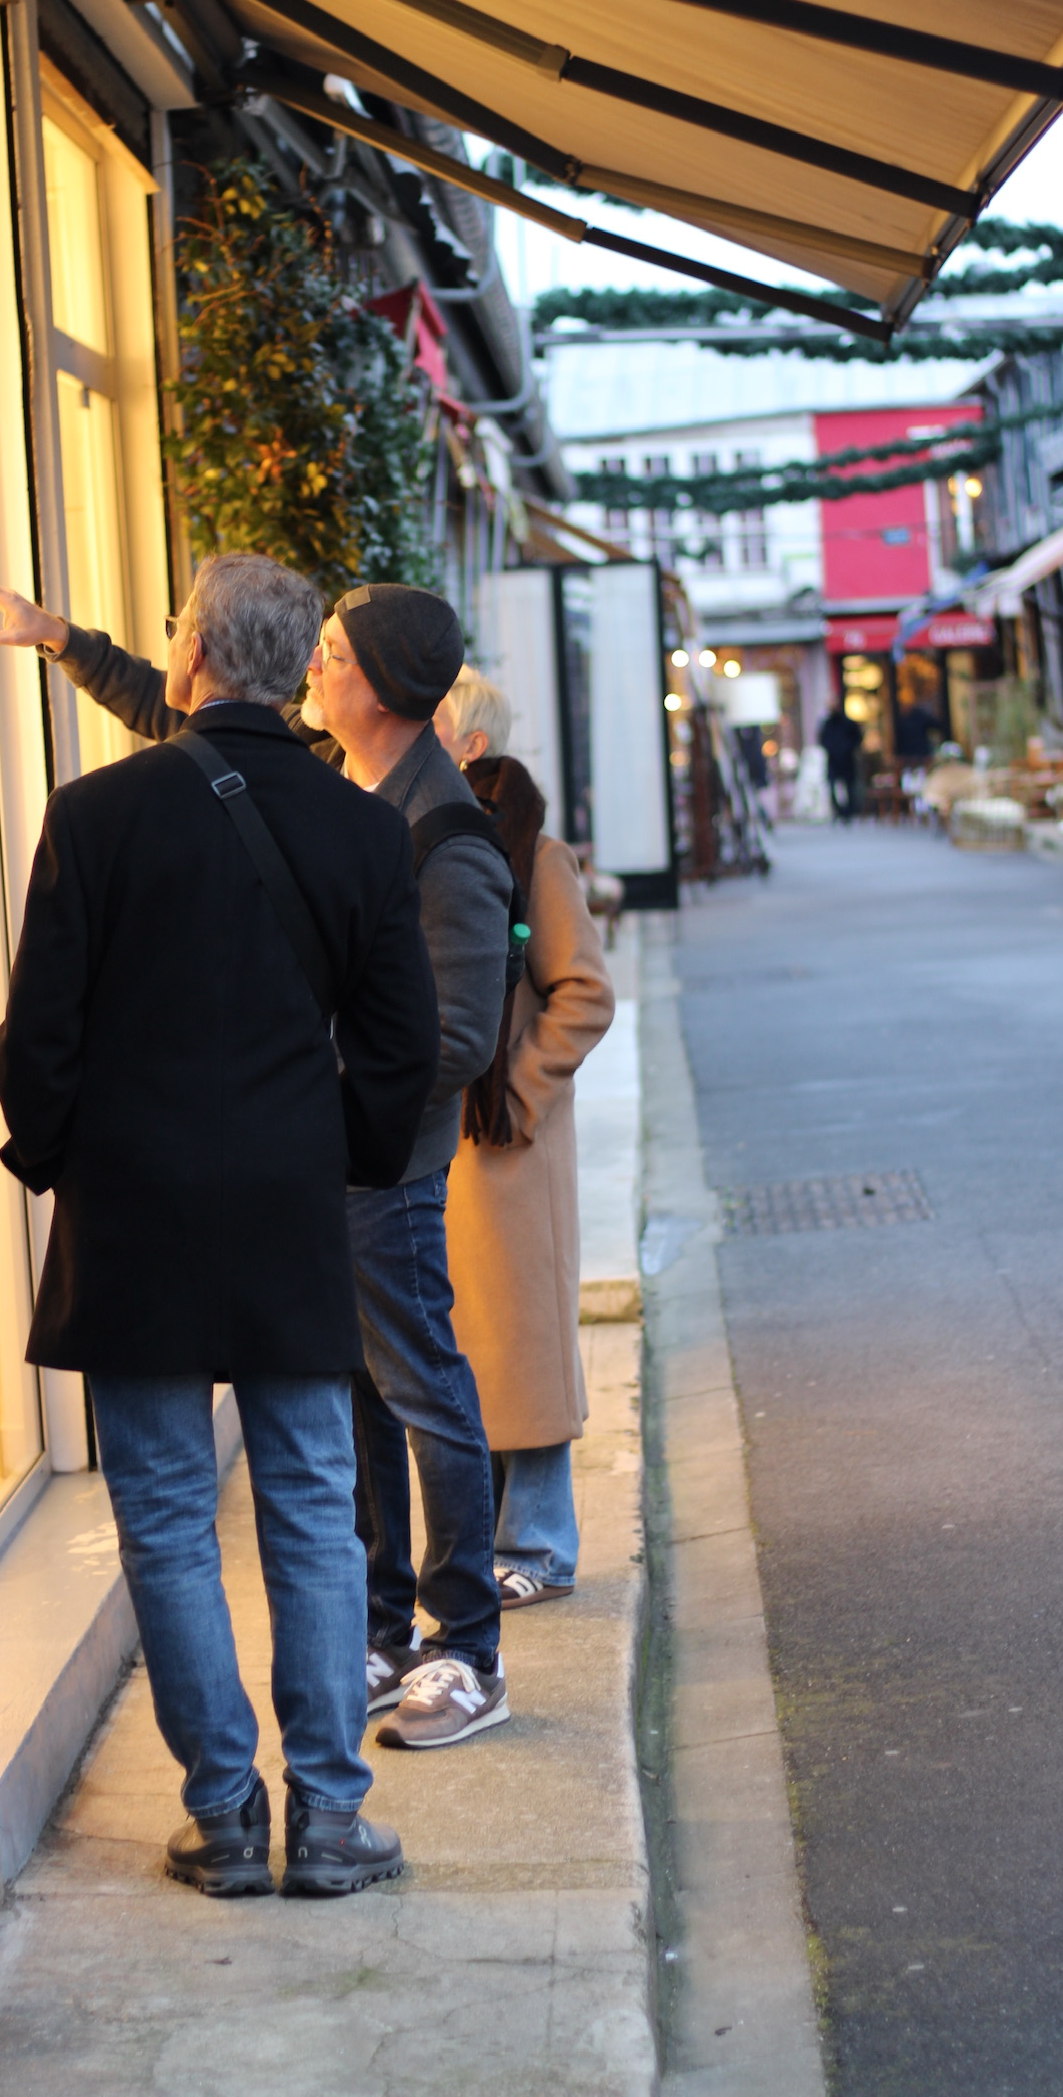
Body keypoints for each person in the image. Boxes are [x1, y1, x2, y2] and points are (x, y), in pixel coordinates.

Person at [0, 564, 515, 1751]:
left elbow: (37, 1039)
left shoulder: (102, 815)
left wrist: (61, 1162)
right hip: (302, 1198)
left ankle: (249, 1786)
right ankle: (328, 1801)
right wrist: (68, 643)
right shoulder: (352, 813)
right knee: (312, 1495)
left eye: (343, 659)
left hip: (189, 1206)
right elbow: (403, 1034)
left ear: (196, 652)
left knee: (188, 1504)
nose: (324, 672)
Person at [434, 668, 615, 1605]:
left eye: (430, 720)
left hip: (507, 1148)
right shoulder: (416, 836)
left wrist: (517, 1092)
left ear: (471, 744)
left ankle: (538, 1548)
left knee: (522, 1351)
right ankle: (493, 1544)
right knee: (468, 1353)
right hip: (440, 1145)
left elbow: (585, 992)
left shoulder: (532, 855)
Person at [818, 704, 865, 823]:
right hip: (833, 760)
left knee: (849, 786)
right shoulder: (828, 723)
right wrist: (831, 749)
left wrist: (848, 748)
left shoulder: (848, 723)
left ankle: (848, 812)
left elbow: (857, 738)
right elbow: (822, 739)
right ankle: (838, 811)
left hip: (847, 759)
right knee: (832, 785)